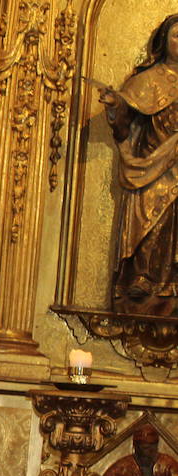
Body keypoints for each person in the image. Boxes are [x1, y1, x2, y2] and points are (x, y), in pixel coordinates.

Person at [101, 13, 178, 316]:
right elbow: (125, 120)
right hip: (151, 166)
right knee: (152, 222)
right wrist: (114, 105)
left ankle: (171, 284)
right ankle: (142, 279)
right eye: (176, 36)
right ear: (164, 41)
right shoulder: (148, 80)